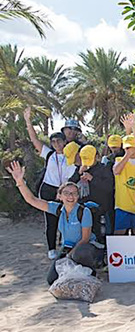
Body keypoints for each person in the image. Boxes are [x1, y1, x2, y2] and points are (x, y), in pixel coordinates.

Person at [7, 162, 99, 283]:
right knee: (52, 280)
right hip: (67, 247)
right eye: (66, 193)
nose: (70, 196)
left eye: (74, 193)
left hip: (84, 248)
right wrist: (20, 182)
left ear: (78, 196)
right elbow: (32, 200)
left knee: (81, 254)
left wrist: (69, 256)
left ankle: (91, 271)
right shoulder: (56, 209)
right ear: (59, 196)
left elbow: (85, 239)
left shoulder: (84, 212)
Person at [24, 107, 77, 259]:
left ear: (64, 141)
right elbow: (34, 140)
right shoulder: (49, 154)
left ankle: (67, 246)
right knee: (51, 220)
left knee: (68, 219)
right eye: (53, 141)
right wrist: (28, 121)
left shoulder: (72, 156)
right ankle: (51, 249)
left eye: (58, 141)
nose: (55, 144)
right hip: (48, 189)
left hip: (65, 190)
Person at [69, 145, 115, 241]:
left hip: (102, 208)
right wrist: (78, 174)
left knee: (103, 235)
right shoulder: (80, 169)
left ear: (97, 157)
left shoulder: (104, 168)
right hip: (85, 209)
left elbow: (109, 187)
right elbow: (69, 185)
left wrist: (92, 179)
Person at [112, 131, 135, 235]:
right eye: (127, 148)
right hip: (122, 206)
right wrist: (127, 155)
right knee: (119, 233)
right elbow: (116, 171)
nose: (129, 150)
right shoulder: (119, 160)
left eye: (132, 147)